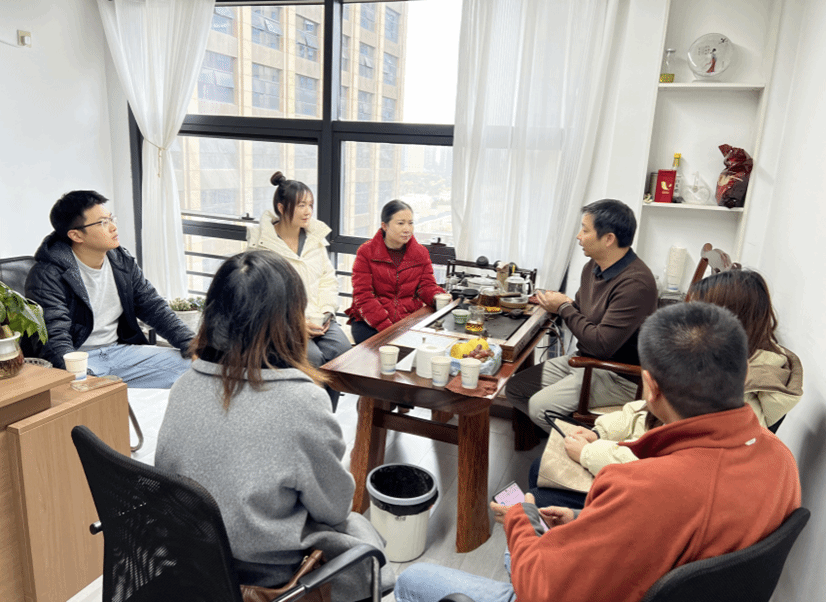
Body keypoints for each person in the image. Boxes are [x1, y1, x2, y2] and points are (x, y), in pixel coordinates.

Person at [394, 302, 801, 602]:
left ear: (650, 388)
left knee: (414, 581)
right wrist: (583, 520)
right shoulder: (781, 461)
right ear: (743, 375)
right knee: (540, 533)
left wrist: (519, 520)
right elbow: (682, 543)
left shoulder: (641, 485)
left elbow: (544, 592)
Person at [155, 251, 394, 602]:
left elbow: (167, 474)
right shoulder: (302, 402)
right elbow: (334, 508)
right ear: (289, 319)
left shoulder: (184, 386)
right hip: (266, 573)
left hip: (190, 559)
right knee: (361, 535)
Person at [526, 268, 804, 509]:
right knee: (541, 470)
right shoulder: (722, 363)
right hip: (642, 463)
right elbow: (650, 415)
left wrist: (591, 453)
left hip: (649, 489)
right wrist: (601, 432)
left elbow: (668, 471)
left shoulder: (736, 398)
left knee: (537, 492)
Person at [505, 199, 658, 428]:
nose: (579, 236)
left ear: (608, 239)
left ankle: (588, 440)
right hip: (587, 362)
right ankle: (565, 432)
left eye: (585, 230)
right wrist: (559, 304)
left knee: (540, 407)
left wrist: (563, 307)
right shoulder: (593, 267)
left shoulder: (635, 284)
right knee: (515, 388)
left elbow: (601, 345)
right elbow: (581, 311)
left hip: (619, 375)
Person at [25, 190, 192, 388]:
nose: (113, 227)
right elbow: (55, 339)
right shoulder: (47, 275)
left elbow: (153, 307)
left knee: (199, 367)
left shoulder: (121, 259)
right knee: (100, 399)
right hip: (80, 360)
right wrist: (82, 378)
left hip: (120, 352)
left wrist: (192, 343)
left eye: (111, 219)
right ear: (76, 235)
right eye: (103, 222)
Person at [247, 171, 351, 410]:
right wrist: (296, 322)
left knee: (342, 353)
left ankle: (326, 416)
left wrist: (326, 312)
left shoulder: (315, 239)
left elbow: (328, 280)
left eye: (310, 205)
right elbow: (258, 295)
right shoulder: (262, 245)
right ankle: (308, 418)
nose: (308, 211)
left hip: (319, 318)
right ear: (282, 208)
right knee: (312, 359)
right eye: (301, 205)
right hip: (280, 323)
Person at [345, 200, 445, 344]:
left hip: (408, 319)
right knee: (384, 353)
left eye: (410, 223)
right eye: (400, 223)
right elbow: (363, 296)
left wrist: (437, 297)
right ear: (384, 226)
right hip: (370, 322)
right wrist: (388, 329)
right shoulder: (366, 252)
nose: (407, 229)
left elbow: (426, 286)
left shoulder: (420, 253)